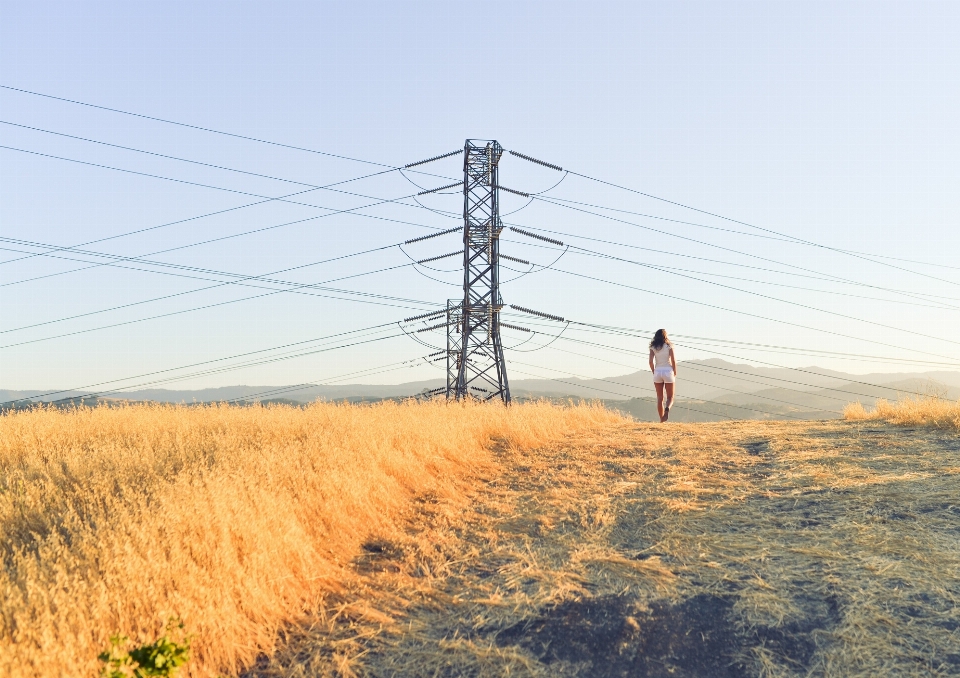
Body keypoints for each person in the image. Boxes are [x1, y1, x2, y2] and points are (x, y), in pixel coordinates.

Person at [648, 329, 676, 422]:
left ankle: (661, 420)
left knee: (660, 398)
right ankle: (667, 410)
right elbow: (673, 360)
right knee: (670, 397)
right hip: (668, 371)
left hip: (658, 372)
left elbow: (650, 362)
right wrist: (674, 371)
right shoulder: (669, 346)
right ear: (665, 336)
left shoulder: (653, 347)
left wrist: (654, 371)